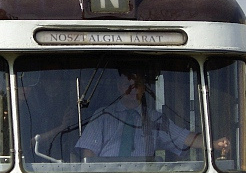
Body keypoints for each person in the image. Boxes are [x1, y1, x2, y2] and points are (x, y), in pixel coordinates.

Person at [76, 67, 227, 160]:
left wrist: (214, 144)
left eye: (136, 85)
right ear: (118, 87)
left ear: (143, 88)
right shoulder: (102, 116)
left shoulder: (156, 119)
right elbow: (88, 154)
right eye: (126, 85)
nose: (131, 89)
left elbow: (184, 137)